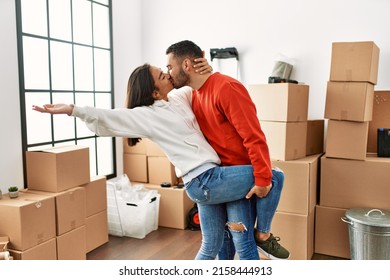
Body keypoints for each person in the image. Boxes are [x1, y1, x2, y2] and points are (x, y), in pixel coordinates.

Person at [32, 62, 275, 260]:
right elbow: (110, 116)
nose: (167, 73)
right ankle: (262, 236)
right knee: (274, 175)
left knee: (212, 244)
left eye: (165, 69)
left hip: (210, 178)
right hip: (203, 180)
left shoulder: (179, 98)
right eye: (162, 74)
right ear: (154, 92)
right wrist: (73, 109)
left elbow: (199, 85)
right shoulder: (147, 116)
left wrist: (206, 70)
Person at [166, 40, 290, 260]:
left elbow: (253, 136)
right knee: (221, 244)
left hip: (238, 178)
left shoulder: (227, 88)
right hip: (216, 177)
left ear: (186, 65)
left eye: (170, 67)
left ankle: (263, 235)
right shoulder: (192, 95)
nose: (168, 73)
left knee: (243, 244)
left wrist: (262, 179)